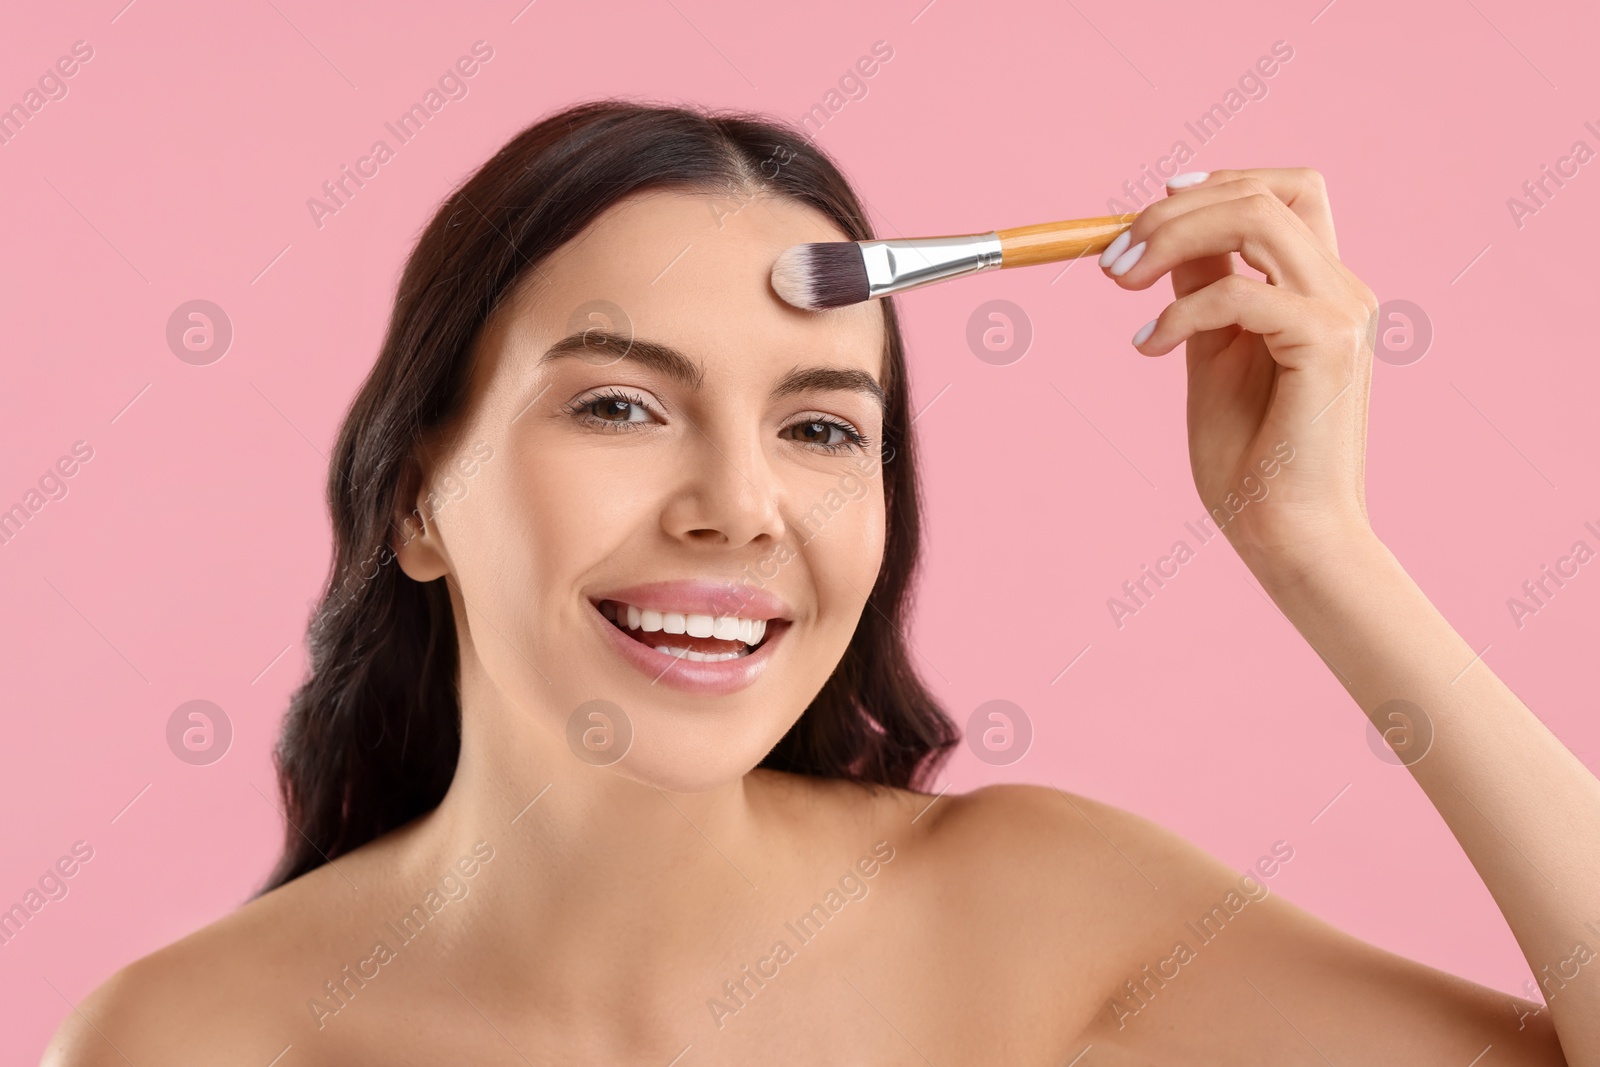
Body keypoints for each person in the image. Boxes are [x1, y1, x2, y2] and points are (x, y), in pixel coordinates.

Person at [44, 100, 1597, 1065]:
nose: (738, 505)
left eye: (818, 426)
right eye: (619, 405)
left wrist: (1315, 542)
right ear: (418, 499)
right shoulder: (179, 1043)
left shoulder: (1033, 918)